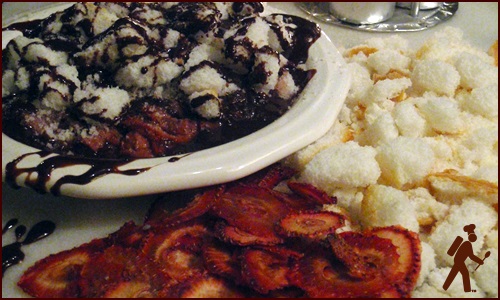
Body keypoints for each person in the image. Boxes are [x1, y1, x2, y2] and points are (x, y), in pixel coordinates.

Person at [442, 224, 484, 292]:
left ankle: (445, 286)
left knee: (453, 273)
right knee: (464, 273)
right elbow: (471, 256)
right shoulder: (467, 244)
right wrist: (479, 261)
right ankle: (467, 289)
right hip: (459, 261)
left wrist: (479, 261)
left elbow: (470, 256)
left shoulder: (466, 243)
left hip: (458, 260)